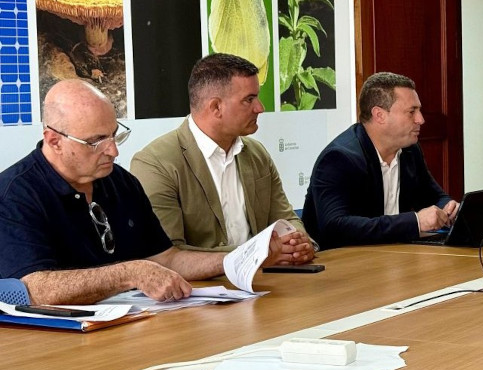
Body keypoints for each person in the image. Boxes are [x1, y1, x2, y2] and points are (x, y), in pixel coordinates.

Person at [0, 79, 281, 305]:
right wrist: (130, 273)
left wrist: (239, 259)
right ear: (54, 141)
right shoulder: (16, 194)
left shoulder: (119, 180)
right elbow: (35, 289)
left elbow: (165, 259)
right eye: (96, 141)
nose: (113, 150)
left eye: (115, 135)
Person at [130, 53, 314, 265]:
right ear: (216, 107)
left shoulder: (257, 154)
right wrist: (254, 255)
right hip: (199, 285)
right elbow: (166, 256)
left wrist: (298, 243)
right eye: (249, 99)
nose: (260, 108)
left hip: (265, 279)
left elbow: (286, 218)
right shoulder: (155, 164)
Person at [302, 72, 458, 248]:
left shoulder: (409, 151)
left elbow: (433, 196)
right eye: (411, 112)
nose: (420, 119)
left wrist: (450, 209)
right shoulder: (338, 158)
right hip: (346, 259)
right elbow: (335, 228)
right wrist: (415, 222)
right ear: (379, 115)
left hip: (394, 255)